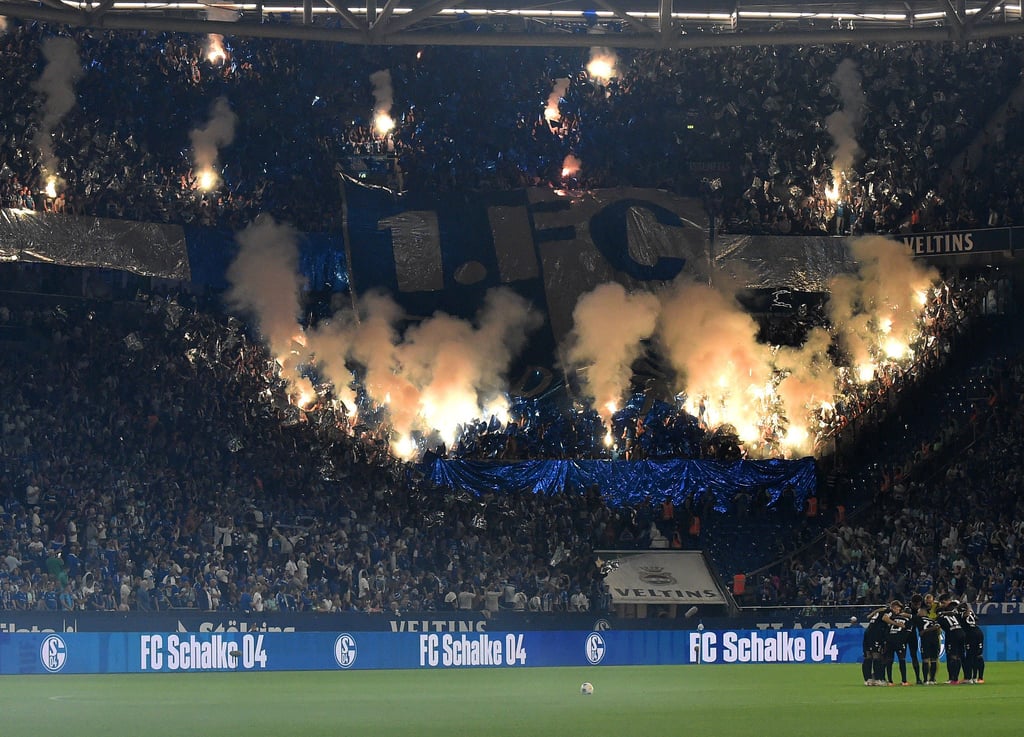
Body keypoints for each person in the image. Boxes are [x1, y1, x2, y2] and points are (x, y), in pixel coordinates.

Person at [862, 600, 904, 685]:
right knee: (876, 655)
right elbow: (885, 618)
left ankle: (868, 680)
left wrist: (871, 614)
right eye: (899, 609)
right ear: (895, 607)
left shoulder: (882, 610)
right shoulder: (889, 611)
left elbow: (869, 616)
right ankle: (878, 680)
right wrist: (897, 624)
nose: (898, 612)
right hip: (875, 634)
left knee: (868, 656)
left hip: (868, 632)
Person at [936, 594, 966, 684]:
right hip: (962, 633)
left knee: (952, 657)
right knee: (960, 656)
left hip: (953, 635)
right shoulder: (953, 614)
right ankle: (963, 677)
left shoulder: (940, 618)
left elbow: (937, 628)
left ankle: (953, 679)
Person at [959, 601, 986, 684]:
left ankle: (969, 678)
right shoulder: (971, 612)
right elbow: (977, 619)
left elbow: (964, 616)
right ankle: (979, 678)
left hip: (970, 635)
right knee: (978, 655)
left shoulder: (960, 614)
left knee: (970, 656)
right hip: (979, 632)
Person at [917, 598, 942, 685]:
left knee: (929, 660)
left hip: (930, 640)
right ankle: (929, 680)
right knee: (930, 660)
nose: (919, 612)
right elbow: (937, 627)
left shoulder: (921, 619)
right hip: (931, 640)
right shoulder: (929, 620)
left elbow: (937, 627)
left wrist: (924, 631)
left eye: (920, 611)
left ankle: (929, 679)